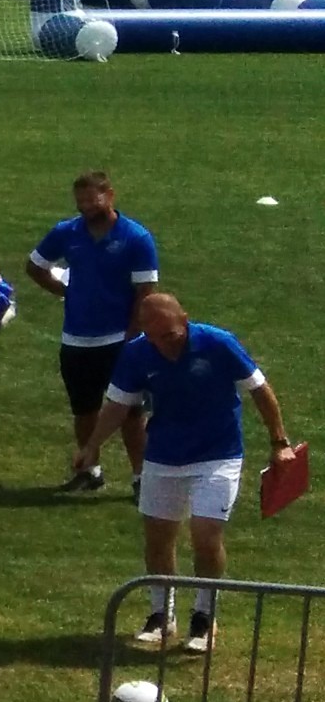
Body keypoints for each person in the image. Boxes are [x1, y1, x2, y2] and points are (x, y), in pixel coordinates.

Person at [108, 293, 296, 655]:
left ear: (185, 319)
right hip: (163, 455)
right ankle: (162, 615)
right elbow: (118, 405)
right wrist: (91, 446)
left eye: (172, 335)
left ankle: (205, 618)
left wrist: (279, 442)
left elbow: (259, 389)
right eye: (157, 337)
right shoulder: (136, 354)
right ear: (144, 332)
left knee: (205, 534)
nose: (166, 344)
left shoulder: (217, 343)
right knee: (158, 539)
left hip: (218, 454)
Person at [28, 170, 159, 492]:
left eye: (92, 199)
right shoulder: (67, 232)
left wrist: (133, 337)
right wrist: (66, 292)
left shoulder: (136, 237)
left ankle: (142, 476)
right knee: (84, 408)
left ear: (110, 196)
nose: (86, 206)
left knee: (130, 412)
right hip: (76, 339)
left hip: (118, 339)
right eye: (81, 200)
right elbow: (35, 266)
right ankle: (91, 470)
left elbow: (147, 293)